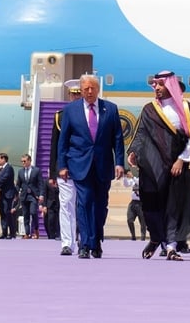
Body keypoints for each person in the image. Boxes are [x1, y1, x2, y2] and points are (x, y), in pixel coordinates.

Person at [127, 70, 190, 261]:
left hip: (176, 168)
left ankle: (170, 247)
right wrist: (133, 152)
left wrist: (181, 160)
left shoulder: (186, 109)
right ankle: (155, 239)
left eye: (160, 85)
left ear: (170, 86)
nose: (157, 88)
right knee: (152, 206)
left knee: (173, 207)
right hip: (153, 168)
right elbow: (141, 132)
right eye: (155, 85)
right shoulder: (149, 109)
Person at [57, 74, 125, 259]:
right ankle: (85, 244)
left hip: (103, 165)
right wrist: (62, 165)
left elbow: (117, 139)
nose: (88, 91)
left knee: (101, 206)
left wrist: (120, 163)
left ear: (97, 89)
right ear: (81, 89)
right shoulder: (71, 110)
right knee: (84, 202)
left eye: (92, 88)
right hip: (79, 164)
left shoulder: (110, 109)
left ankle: (96, 241)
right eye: (85, 88)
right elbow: (63, 141)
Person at [49, 79, 81, 255]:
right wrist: (53, 172)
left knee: (84, 205)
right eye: (73, 94)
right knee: (66, 205)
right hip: (65, 169)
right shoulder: (60, 117)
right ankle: (67, 243)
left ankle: (85, 239)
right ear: (69, 95)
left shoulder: (91, 114)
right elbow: (54, 145)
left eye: (79, 94)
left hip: (85, 168)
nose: (76, 97)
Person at [16, 154, 44, 239]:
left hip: (33, 195)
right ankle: (27, 233)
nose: (23, 163)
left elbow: (40, 184)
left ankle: (36, 229)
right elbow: (18, 184)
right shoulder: (20, 171)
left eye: (24, 161)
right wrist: (16, 193)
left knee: (33, 212)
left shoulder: (36, 170)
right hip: (24, 196)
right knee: (26, 215)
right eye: (22, 161)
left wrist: (41, 194)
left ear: (29, 161)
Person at [122, 169, 146, 241]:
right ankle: (133, 236)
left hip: (142, 203)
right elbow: (126, 184)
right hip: (133, 202)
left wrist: (132, 177)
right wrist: (124, 176)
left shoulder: (145, 181)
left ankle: (143, 238)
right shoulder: (134, 180)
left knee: (143, 222)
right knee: (130, 220)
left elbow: (140, 183)